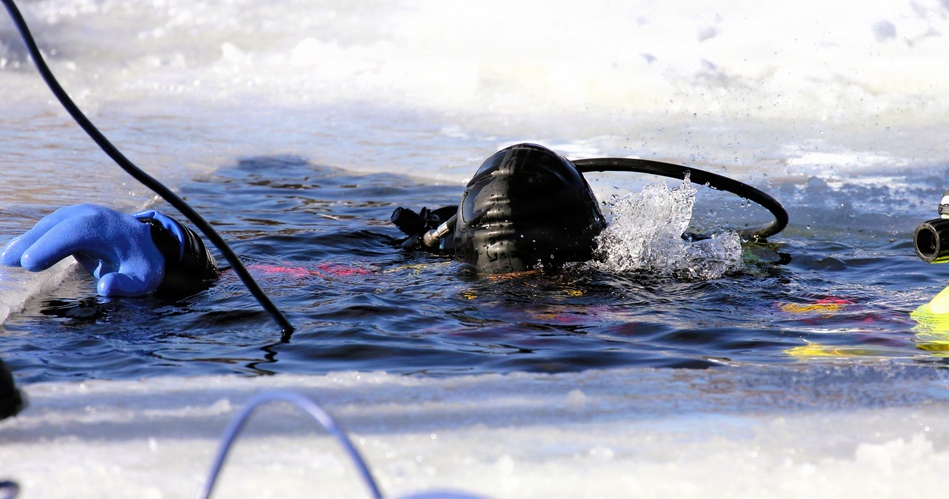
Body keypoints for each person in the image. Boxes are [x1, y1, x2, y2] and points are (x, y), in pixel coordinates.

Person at [1, 144, 608, 299]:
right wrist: (166, 241)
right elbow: (247, 279)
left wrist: (176, 249)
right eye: (513, 285)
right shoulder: (640, 305)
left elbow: (247, 281)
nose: (526, 316)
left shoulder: (410, 297)